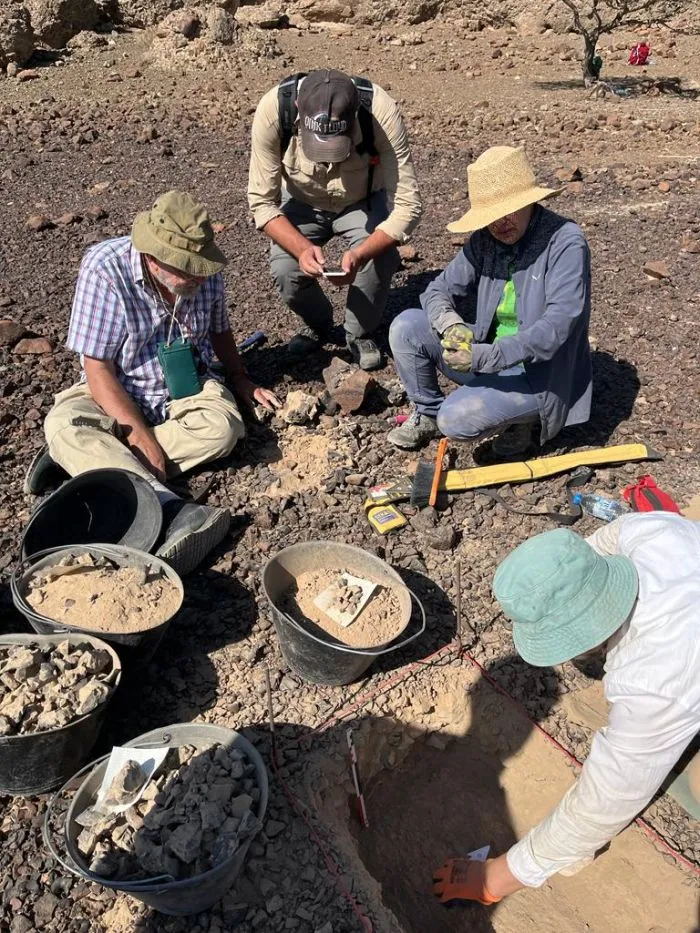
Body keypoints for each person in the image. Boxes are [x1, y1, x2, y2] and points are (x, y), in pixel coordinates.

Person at [433, 512, 700, 906]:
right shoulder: (657, 532)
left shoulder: (653, 682)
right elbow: (600, 544)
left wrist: (497, 878)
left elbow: (603, 804)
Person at [32, 191, 281, 575]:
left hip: (185, 388)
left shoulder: (205, 275)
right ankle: (170, 508)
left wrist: (240, 378)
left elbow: (220, 330)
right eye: (187, 269)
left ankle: (89, 464)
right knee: (62, 422)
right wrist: (140, 436)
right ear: (152, 257)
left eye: (201, 266)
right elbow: (98, 370)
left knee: (223, 428)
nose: (199, 276)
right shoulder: (105, 269)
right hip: (117, 387)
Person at [387, 146, 592, 459]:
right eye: (491, 216)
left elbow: (554, 331)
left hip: (539, 374)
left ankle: (525, 418)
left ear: (530, 201)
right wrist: (450, 323)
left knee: (455, 419)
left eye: (508, 211)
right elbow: (437, 290)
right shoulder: (485, 240)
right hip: (489, 356)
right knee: (406, 327)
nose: (500, 223)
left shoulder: (564, 241)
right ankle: (426, 412)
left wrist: (482, 358)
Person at [247, 68, 422, 371]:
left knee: (378, 259)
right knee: (286, 270)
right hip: (302, 200)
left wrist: (360, 253)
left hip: (361, 199)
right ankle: (319, 325)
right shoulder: (274, 111)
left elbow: (408, 206)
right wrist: (301, 249)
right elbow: (262, 202)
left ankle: (359, 333)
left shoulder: (380, 112)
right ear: (299, 110)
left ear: (354, 115)